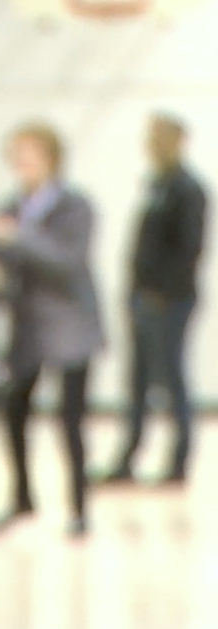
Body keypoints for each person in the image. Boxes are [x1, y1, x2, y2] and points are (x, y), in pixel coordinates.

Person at [0, 122, 106, 538]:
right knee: (14, 411)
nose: (21, 164)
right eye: (16, 156)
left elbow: (65, 262)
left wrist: (17, 237)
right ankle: (22, 498)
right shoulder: (9, 207)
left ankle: (79, 508)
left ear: (50, 159)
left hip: (69, 328)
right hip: (27, 330)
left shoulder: (76, 207)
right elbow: (1, 259)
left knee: (71, 421)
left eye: (28, 155)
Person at [102, 113, 208, 487]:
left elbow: (189, 249)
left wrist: (162, 292)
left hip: (170, 301)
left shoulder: (188, 189)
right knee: (138, 379)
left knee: (172, 379)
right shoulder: (156, 185)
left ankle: (179, 460)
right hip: (142, 297)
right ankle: (129, 455)